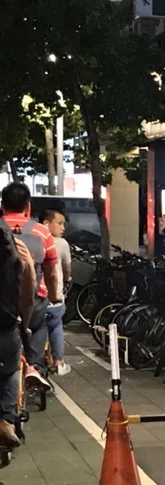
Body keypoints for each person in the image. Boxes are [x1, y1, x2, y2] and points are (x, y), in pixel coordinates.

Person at [0, 183, 60, 393]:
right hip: (34, 298)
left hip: (3, 302)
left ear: (2, 205)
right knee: (39, 326)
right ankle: (34, 368)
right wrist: (54, 295)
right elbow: (51, 272)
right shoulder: (42, 232)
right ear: (28, 206)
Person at [0, 227, 36, 449]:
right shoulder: (15, 248)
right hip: (5, 326)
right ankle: (5, 420)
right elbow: (28, 295)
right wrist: (25, 324)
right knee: (11, 369)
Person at [39, 208, 73, 376]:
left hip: (33, 297)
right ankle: (58, 361)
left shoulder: (31, 238)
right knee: (55, 324)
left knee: (36, 327)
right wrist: (67, 279)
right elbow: (67, 268)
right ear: (46, 223)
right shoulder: (61, 243)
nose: (63, 228)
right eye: (59, 223)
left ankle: (38, 362)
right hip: (54, 296)